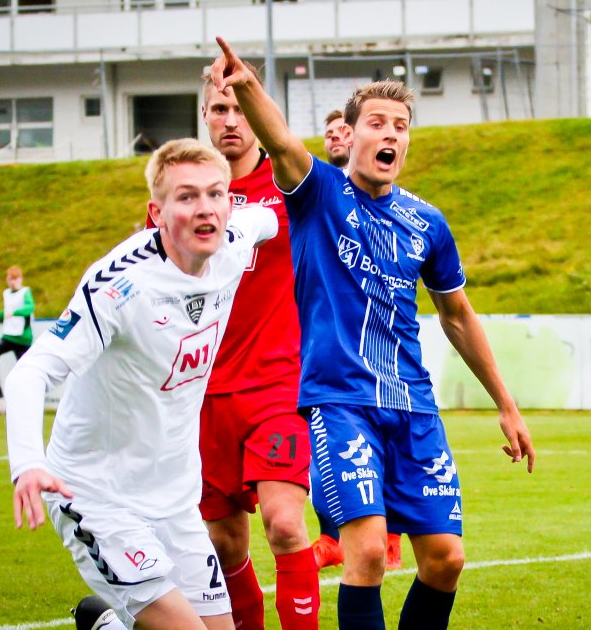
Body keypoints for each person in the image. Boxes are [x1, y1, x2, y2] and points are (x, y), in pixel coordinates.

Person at [211, 36, 536, 630]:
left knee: (446, 559)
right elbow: (280, 141)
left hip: (414, 407)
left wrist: (507, 404)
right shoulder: (318, 192)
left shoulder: (426, 222)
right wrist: (246, 85)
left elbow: (457, 315)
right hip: (340, 403)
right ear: (351, 134)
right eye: (378, 123)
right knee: (364, 553)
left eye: (401, 126)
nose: (390, 134)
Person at [6, 138, 278, 630]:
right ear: (156, 213)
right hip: (96, 496)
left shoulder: (233, 243)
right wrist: (27, 463)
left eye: (216, 194)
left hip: (176, 501)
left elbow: (269, 215)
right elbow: (31, 371)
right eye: (186, 197)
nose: (205, 208)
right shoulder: (118, 285)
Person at [153, 68, 319, 630]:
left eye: (240, 108)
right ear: (204, 116)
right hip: (201, 396)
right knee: (223, 545)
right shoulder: (183, 197)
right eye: (218, 109)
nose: (230, 120)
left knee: (286, 525)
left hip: (278, 386)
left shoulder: (292, 183)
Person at [311, 108, 403, 573]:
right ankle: (333, 537)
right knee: (327, 463)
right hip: (327, 368)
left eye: (339, 131)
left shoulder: (399, 211)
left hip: (387, 371)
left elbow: (456, 311)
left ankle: (391, 535)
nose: (333, 139)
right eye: (328, 134)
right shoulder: (316, 193)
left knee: (383, 453)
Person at [0, 266, 35, 403]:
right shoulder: (7, 293)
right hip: (9, 336)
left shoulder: (25, 292)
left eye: (15, 279)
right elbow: (6, 311)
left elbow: (29, 308)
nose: (12, 282)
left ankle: (29, 397)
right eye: (9, 279)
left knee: (25, 369)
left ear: (20, 279)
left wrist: (14, 313)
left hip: (23, 338)